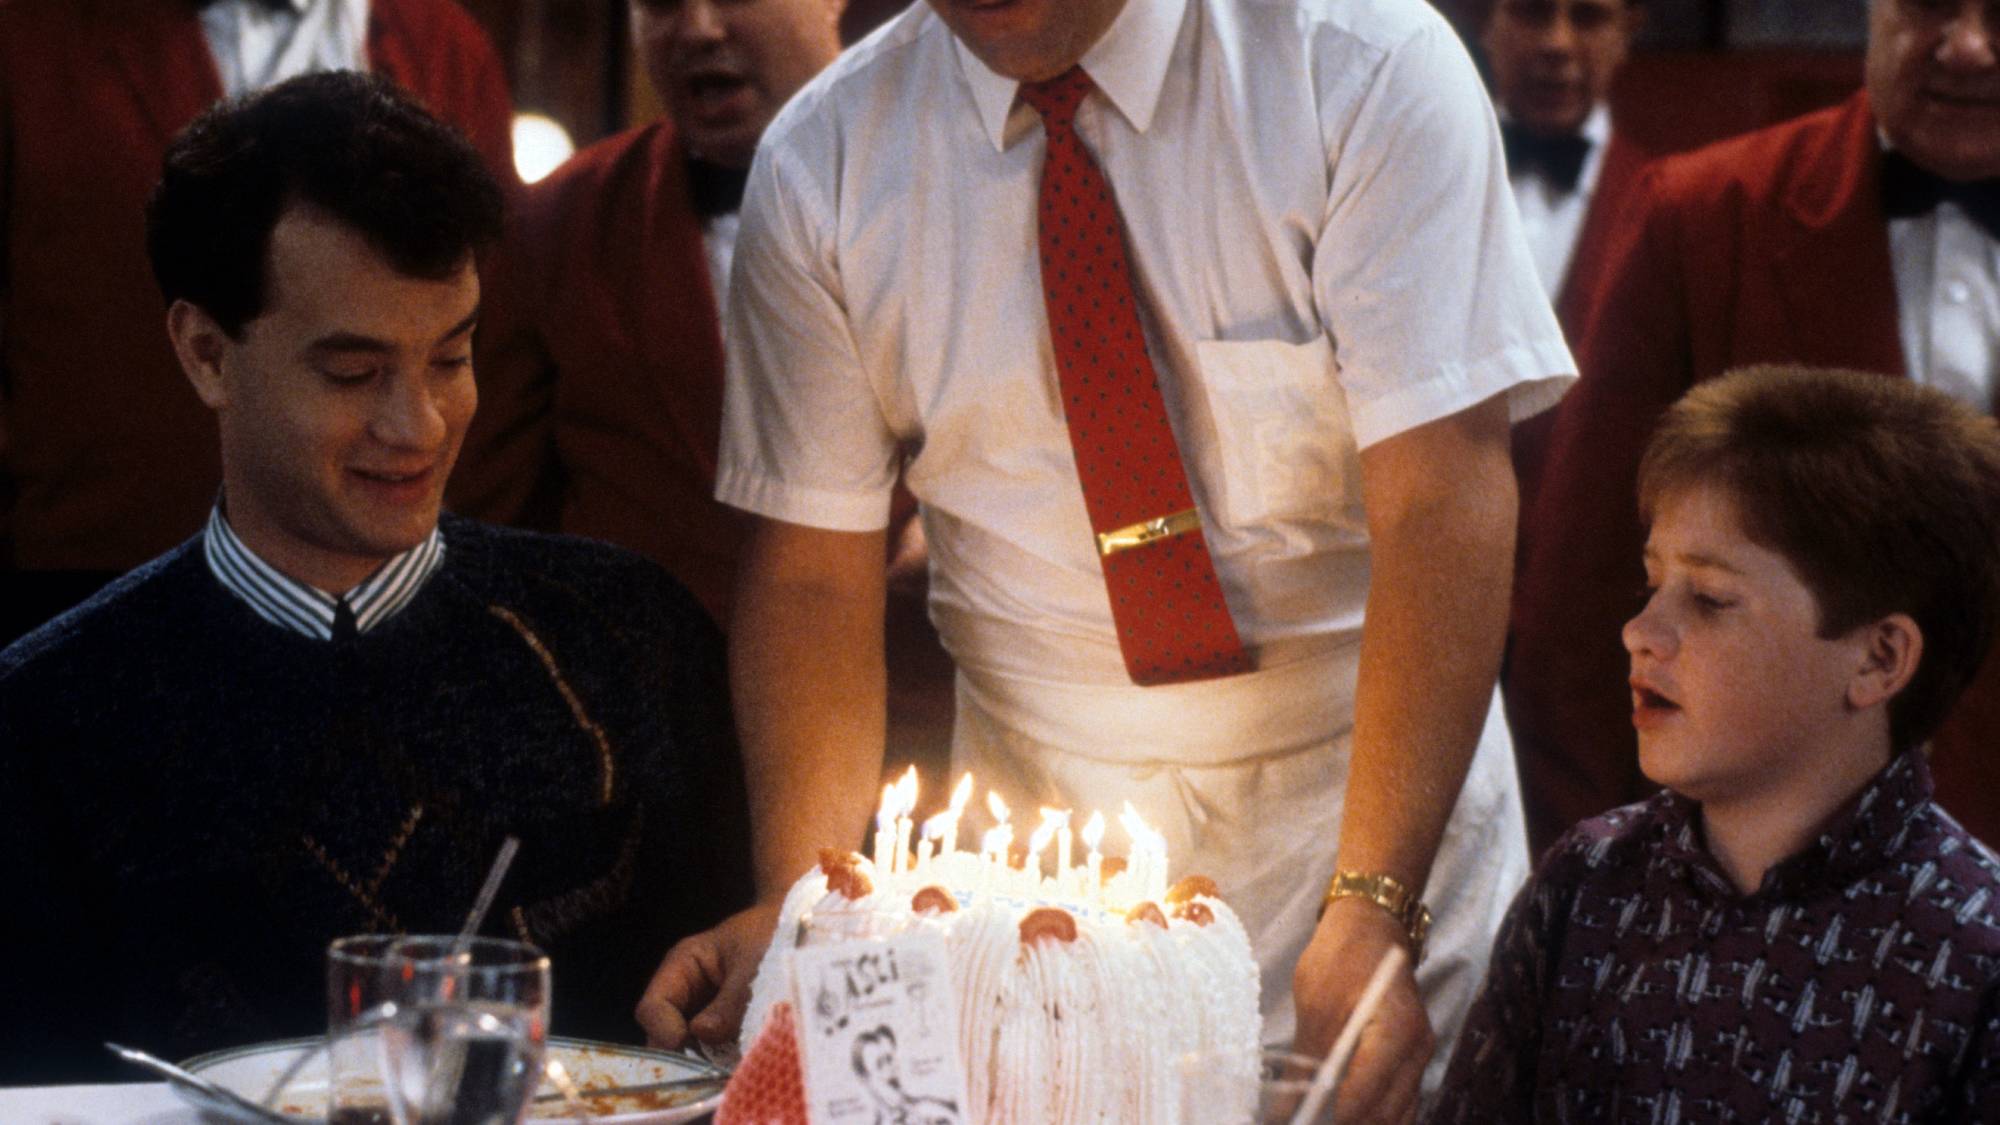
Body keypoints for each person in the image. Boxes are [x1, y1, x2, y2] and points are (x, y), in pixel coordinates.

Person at [637, 0, 1575, 1117]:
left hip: (1360, 799)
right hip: (1036, 858)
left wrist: (1375, 901)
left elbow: (1442, 501)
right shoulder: (826, 155)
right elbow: (809, 571)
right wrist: (803, 903)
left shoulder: (1361, 63)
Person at [0, 72, 749, 1083]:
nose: (419, 425)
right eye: (353, 374)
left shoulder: (630, 641)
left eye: (451, 358)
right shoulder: (47, 721)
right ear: (206, 353)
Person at [1432, 365, 2000, 1121]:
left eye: (1709, 598)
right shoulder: (1583, 888)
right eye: (1652, 585)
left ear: (1879, 658)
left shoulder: (1976, 955)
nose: (1640, 632)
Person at [1506, 0, 2000, 857]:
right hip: (1747, 880)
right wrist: (1584, 888)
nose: (1967, 47)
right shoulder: (1702, 215)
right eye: (1930, 2)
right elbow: (1578, 612)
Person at [0, 0, 516, 648]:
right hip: (87, 580)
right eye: (351, 370)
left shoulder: (444, 45)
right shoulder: (31, 39)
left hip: (395, 605)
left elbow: (495, 340)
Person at [450, 0, 845, 627]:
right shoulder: (554, 225)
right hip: (645, 680)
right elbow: (486, 533)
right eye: (660, 3)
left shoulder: (961, 189)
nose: (698, 29)